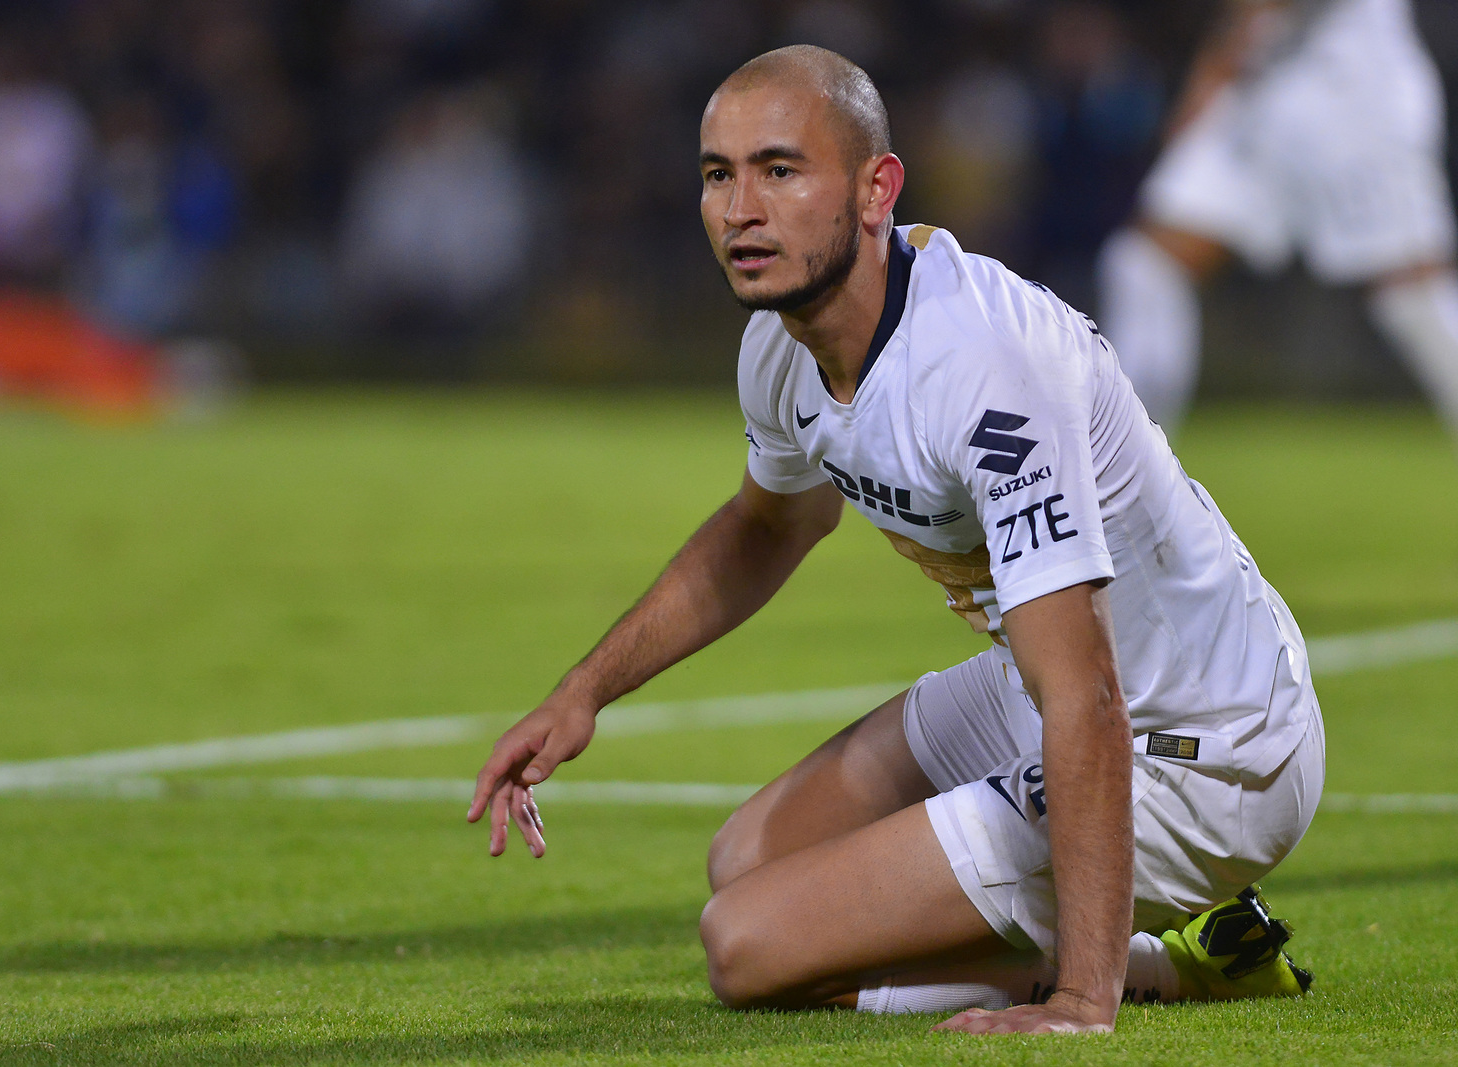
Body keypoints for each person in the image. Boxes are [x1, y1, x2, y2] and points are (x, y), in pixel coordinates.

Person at [469, 45, 1324, 1035]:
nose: (740, 209)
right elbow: (766, 526)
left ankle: (1155, 970)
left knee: (746, 946)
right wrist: (582, 692)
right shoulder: (780, 344)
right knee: (745, 860)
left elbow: (1088, 695)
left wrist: (1079, 1003)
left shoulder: (986, 368)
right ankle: (1190, 942)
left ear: (876, 190)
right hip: (1055, 679)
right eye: (718, 174)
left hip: (1203, 745)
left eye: (779, 170)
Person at [1098, 0, 1458, 440]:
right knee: (1146, 265)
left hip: (1355, 90)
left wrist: (1211, 73)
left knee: (1415, 296)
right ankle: (1126, 459)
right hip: (1268, 87)